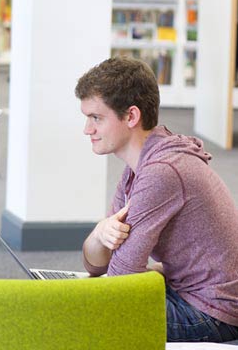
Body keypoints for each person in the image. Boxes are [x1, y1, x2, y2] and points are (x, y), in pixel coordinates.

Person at [76, 57, 238, 343]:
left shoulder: (162, 172)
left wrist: (103, 253)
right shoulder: (138, 167)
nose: (87, 129)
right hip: (187, 291)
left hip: (212, 312)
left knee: (86, 314)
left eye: (96, 118)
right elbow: (97, 264)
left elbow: (120, 282)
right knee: (83, 301)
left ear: (131, 117)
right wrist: (100, 233)